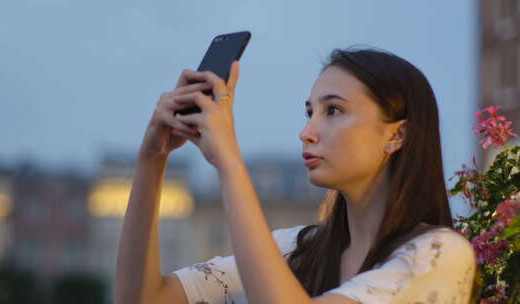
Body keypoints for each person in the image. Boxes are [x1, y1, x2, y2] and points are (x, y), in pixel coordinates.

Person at [114, 47, 477, 304]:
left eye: (333, 110)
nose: (307, 131)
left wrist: (229, 162)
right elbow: (145, 298)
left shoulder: (439, 254)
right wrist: (152, 158)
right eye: (309, 112)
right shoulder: (299, 250)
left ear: (397, 134)